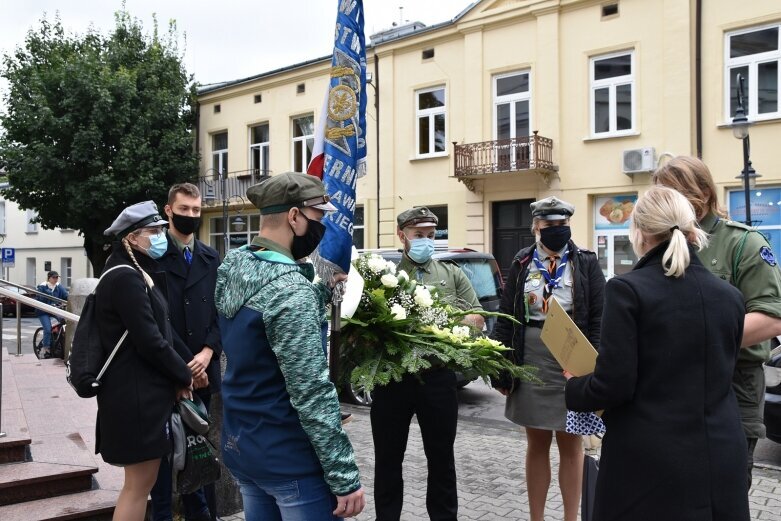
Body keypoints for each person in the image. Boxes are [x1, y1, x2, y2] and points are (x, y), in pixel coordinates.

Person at [565, 186, 750, 520]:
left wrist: (575, 386)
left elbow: (614, 385)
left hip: (649, 463)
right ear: (692, 229)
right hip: (723, 457)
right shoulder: (731, 296)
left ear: (640, 232)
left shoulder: (627, 290)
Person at [216, 172, 365, 521]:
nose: (322, 228)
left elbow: (261, 322)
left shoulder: (233, 265)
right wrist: (344, 477)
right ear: (294, 217)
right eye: (318, 217)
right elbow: (311, 392)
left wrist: (320, 292)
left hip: (243, 446)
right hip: (288, 458)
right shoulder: (290, 293)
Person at [653, 155, 781, 488]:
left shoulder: (742, 243)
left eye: (674, 195)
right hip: (673, 385)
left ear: (704, 194)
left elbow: (771, 317)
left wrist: (699, 339)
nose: (666, 205)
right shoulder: (661, 246)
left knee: (724, 490)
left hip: (732, 385)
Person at [491, 196, 604, 521]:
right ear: (536, 227)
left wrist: (589, 366)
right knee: (536, 442)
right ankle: (537, 518)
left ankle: (571, 518)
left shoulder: (586, 261)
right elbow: (506, 316)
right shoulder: (522, 262)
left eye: (561, 225)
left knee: (571, 446)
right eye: (549, 225)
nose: (556, 230)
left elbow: (599, 317)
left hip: (571, 359)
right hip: (531, 360)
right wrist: (502, 369)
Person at [370, 207, 485, 521]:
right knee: (388, 461)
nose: (426, 241)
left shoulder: (452, 274)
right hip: (392, 380)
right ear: (402, 235)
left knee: (442, 461)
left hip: (437, 379)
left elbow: (477, 317)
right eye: (418, 235)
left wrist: (442, 320)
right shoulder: (385, 276)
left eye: (431, 236)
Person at [97, 201, 194, 521]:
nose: (160, 237)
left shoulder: (132, 272)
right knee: (138, 487)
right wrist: (185, 374)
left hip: (139, 396)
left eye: (160, 231)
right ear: (132, 238)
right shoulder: (125, 277)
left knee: (140, 485)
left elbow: (159, 332)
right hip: (137, 399)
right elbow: (150, 341)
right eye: (153, 232)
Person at [150, 183, 222, 521]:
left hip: (204, 374)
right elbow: (154, 318)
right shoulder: (153, 257)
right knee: (164, 458)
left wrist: (208, 352)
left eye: (196, 210)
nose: (191, 216)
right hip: (166, 372)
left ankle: (203, 514)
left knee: (200, 453)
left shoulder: (210, 257)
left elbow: (222, 312)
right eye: (184, 209)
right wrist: (184, 368)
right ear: (168, 210)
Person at [35, 270, 69, 358]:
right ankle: (46, 349)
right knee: (47, 329)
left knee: (64, 323)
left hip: (55, 310)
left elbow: (66, 295)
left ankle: (57, 342)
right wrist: (49, 293)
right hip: (43, 311)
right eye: (54, 277)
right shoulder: (42, 287)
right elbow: (39, 299)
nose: (56, 279)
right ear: (49, 278)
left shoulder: (59, 286)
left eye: (57, 277)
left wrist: (70, 299)